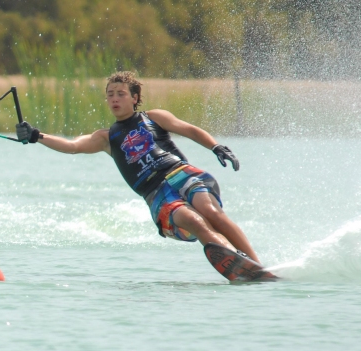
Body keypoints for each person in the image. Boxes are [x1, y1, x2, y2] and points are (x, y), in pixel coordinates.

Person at [16, 71, 262, 264]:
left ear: (134, 98)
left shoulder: (153, 117)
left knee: (209, 210)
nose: (114, 98)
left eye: (121, 93)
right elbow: (72, 146)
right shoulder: (106, 137)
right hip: (157, 194)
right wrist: (37, 135)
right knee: (194, 222)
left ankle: (256, 262)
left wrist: (216, 146)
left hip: (181, 174)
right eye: (110, 94)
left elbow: (190, 130)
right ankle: (237, 262)